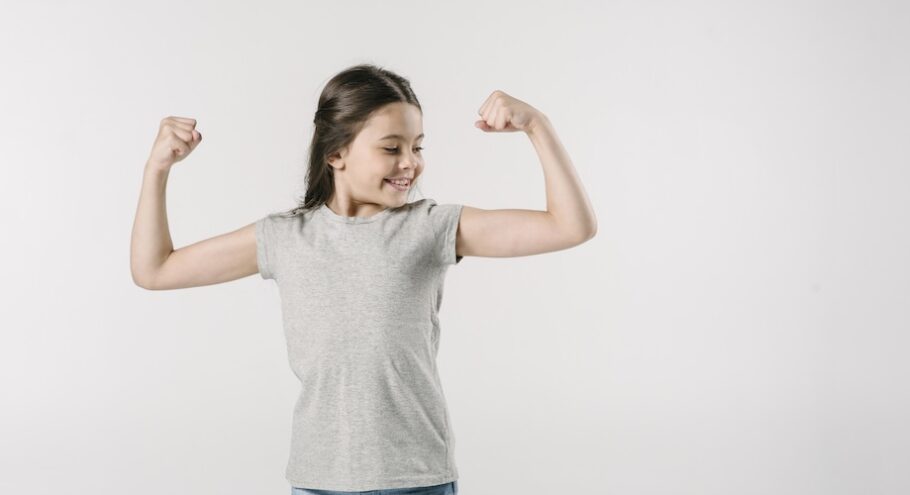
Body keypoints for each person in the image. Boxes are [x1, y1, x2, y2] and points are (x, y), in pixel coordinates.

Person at [129, 63, 597, 494]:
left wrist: (538, 126)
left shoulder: (430, 226)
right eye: (392, 148)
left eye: (417, 147)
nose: (410, 163)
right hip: (319, 481)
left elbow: (570, 226)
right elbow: (155, 269)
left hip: (416, 480)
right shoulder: (285, 237)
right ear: (336, 152)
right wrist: (157, 169)